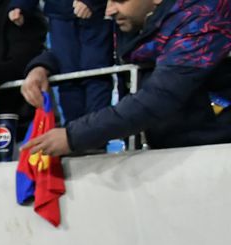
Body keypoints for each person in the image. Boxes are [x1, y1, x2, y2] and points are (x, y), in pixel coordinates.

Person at [23, 0, 231, 156]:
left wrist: (73, 136)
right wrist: (42, 67)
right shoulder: (133, 18)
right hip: (165, 150)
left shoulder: (202, 19)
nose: (109, 10)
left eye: (119, 0)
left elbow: (159, 97)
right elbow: (87, 50)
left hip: (213, 150)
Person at [10, 0, 112, 123]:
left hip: (95, 17)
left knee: (96, 75)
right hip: (60, 16)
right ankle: (73, 132)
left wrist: (92, 2)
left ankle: (97, 131)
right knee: (67, 79)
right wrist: (20, 5)